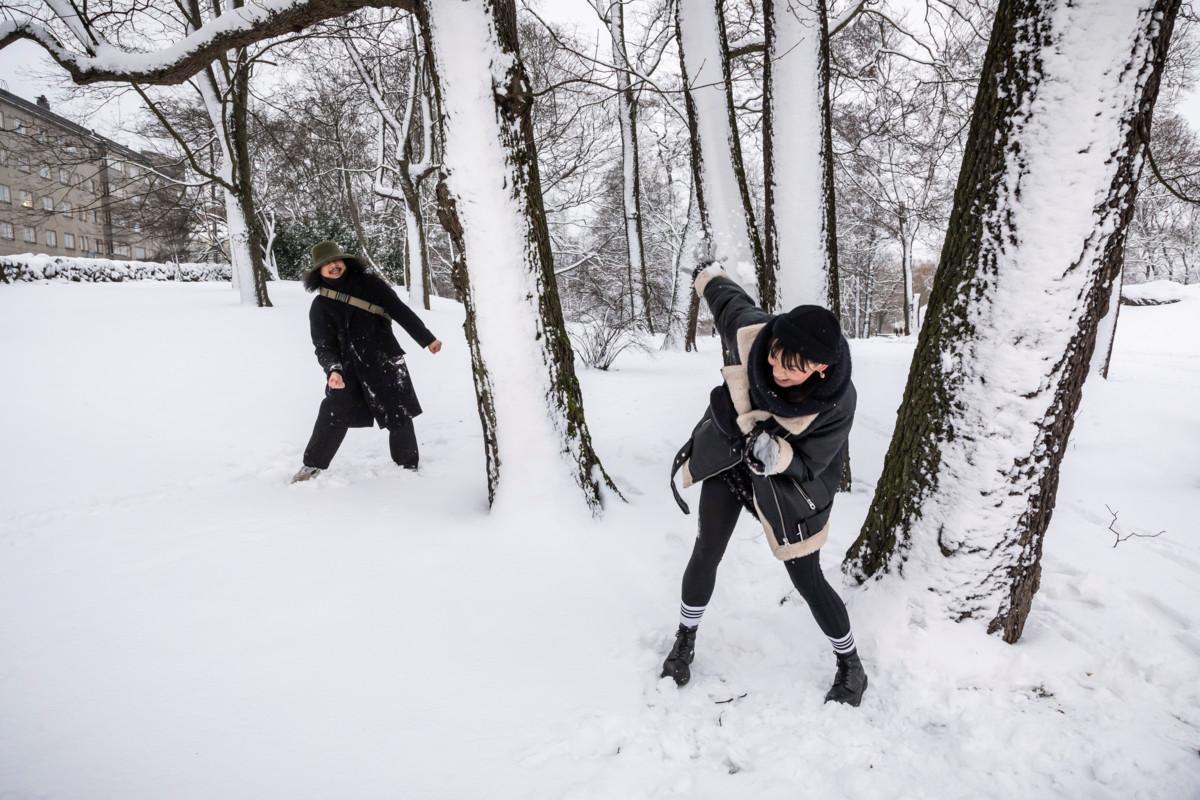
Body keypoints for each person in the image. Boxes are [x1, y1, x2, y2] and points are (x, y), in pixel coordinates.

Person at [666, 262, 867, 706]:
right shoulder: (752, 334)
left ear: (818, 367)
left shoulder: (837, 402)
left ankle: (851, 664)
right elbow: (726, 299)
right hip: (728, 457)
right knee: (707, 550)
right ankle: (685, 637)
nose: (776, 367)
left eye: (791, 368)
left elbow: (815, 461)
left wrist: (778, 456)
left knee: (806, 576)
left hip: (787, 485)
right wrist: (706, 273)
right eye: (775, 355)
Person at [291, 240, 442, 483]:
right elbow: (323, 345)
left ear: (345, 262)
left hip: (384, 358)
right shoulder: (320, 305)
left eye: (336, 260)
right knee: (333, 411)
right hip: (347, 368)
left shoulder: (370, 284)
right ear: (318, 271)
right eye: (326, 264)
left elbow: (399, 310)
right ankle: (312, 465)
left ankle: (408, 465)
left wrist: (427, 339)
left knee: (398, 411)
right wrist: (333, 370)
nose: (333, 266)